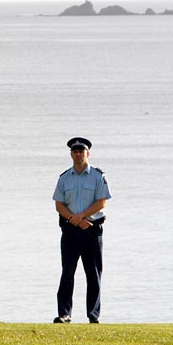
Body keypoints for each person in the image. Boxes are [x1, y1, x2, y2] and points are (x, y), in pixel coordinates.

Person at [52, 137, 111, 324]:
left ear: (88, 153)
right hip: (70, 230)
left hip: (92, 229)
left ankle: (93, 315)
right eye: (75, 151)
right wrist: (74, 219)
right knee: (67, 273)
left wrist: (82, 216)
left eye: (81, 151)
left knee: (93, 274)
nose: (78, 154)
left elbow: (102, 201)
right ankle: (64, 314)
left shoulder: (97, 175)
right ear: (71, 154)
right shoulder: (64, 178)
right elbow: (59, 205)